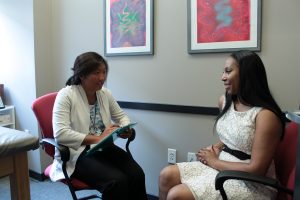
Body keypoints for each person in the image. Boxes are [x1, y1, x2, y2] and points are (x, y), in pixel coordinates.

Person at [159, 50, 285, 200]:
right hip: (223, 164)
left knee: (176, 195)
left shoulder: (265, 116)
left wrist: (215, 161)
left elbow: (256, 170)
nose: (222, 77)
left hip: (251, 182)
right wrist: (217, 147)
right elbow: (231, 136)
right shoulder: (225, 101)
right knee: (166, 175)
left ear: (246, 74)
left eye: (228, 71)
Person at [50, 51, 148, 200]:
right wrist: (97, 138)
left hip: (103, 148)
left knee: (137, 174)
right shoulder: (66, 95)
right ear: (82, 75)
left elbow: (121, 117)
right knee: (116, 181)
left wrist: (125, 128)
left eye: (104, 72)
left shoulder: (104, 94)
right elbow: (61, 133)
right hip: (77, 154)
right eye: (96, 73)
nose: (102, 77)